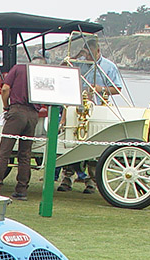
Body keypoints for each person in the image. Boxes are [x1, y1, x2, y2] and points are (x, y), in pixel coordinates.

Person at [59, 38, 123, 193]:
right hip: (76, 108)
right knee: (70, 143)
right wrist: (76, 55)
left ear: (98, 51)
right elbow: (62, 68)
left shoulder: (109, 67)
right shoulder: (80, 63)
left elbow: (117, 88)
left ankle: (92, 182)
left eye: (90, 55)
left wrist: (100, 89)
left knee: (93, 146)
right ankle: (67, 178)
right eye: (86, 55)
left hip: (97, 109)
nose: (88, 59)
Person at [0, 53, 45, 201]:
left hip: (17, 111)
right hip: (33, 114)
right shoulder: (41, 76)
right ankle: (21, 189)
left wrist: (6, 107)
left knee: (5, 150)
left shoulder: (18, 69)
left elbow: (5, 89)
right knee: (25, 154)